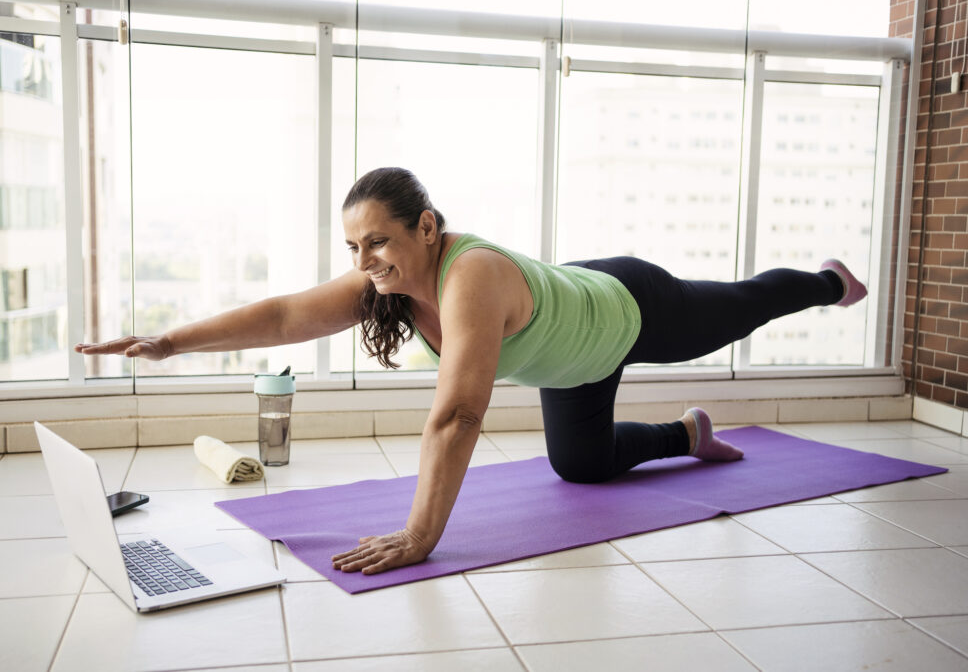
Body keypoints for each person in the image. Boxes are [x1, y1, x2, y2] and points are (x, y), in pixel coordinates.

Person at [76, 166, 868, 576]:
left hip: (627, 307)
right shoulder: (385, 282)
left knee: (738, 306)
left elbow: (457, 416)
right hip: (569, 347)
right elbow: (285, 316)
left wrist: (422, 536)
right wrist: (170, 343)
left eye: (379, 241)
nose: (366, 261)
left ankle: (829, 282)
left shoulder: (472, 276)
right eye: (354, 248)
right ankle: (685, 432)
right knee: (581, 468)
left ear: (427, 226)